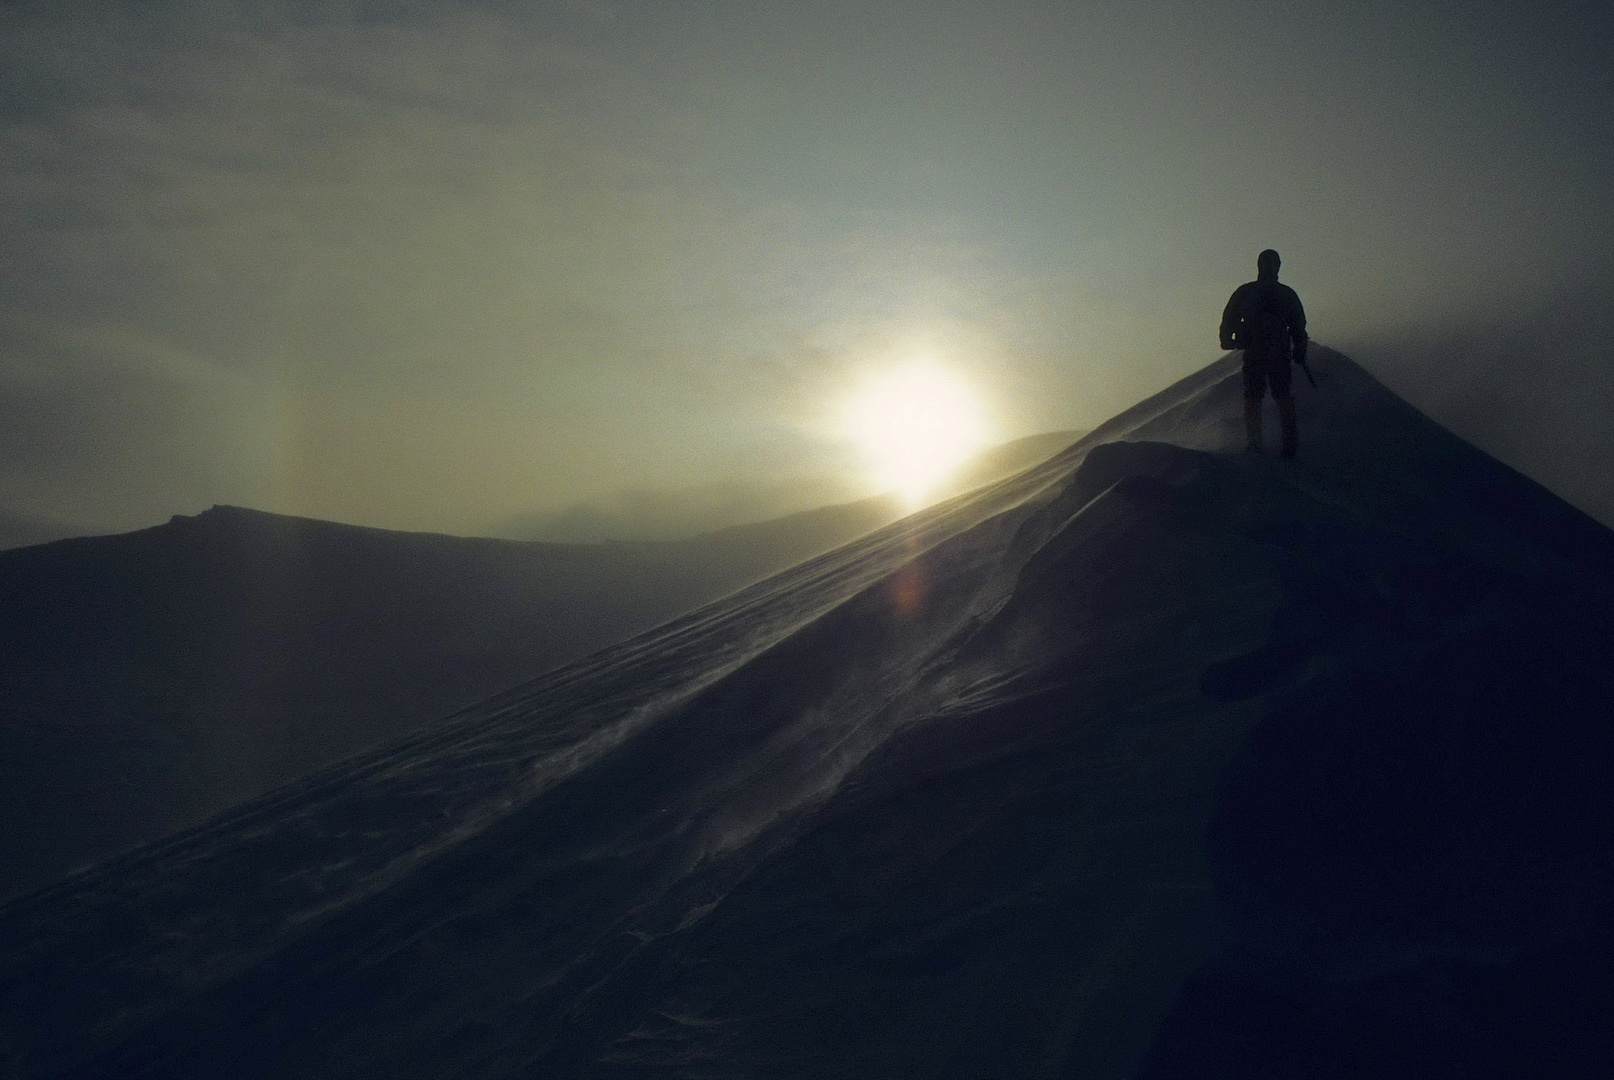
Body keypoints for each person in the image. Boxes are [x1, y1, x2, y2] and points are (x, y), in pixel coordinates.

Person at [1219, 249, 1308, 458]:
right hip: (1273, 352)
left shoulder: (1247, 292)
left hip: (1262, 352)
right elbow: (1298, 326)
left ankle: (1259, 443)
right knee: (1274, 395)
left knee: (1258, 396)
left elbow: (1229, 318)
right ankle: (1283, 443)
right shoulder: (1286, 294)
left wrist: (1227, 339)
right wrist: (1300, 349)